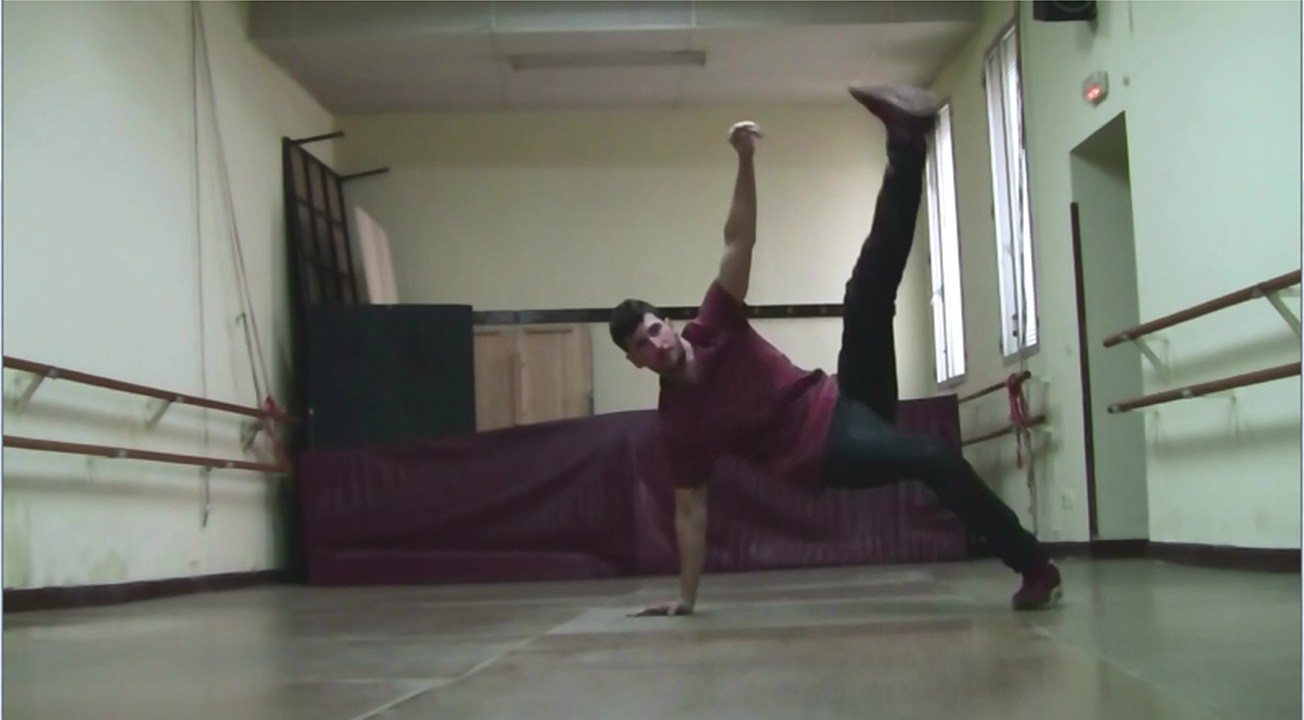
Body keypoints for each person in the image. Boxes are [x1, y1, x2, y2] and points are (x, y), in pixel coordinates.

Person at [608, 86, 1063, 617]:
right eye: (642, 345)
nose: (657, 344)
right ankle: (1035, 565)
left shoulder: (715, 324)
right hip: (825, 450)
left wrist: (745, 160)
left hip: (843, 398)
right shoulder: (679, 425)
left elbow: (738, 240)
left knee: (866, 294)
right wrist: (685, 599)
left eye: (656, 329)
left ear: (666, 322)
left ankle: (906, 143)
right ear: (635, 361)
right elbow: (690, 511)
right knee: (931, 458)